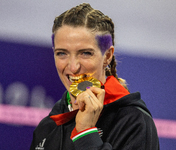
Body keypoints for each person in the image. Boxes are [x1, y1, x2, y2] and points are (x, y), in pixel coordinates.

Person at [30, 3, 159, 150]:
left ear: (107, 56)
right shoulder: (48, 126)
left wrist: (86, 134)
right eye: (62, 53)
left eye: (85, 53)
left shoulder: (134, 122)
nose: (73, 67)